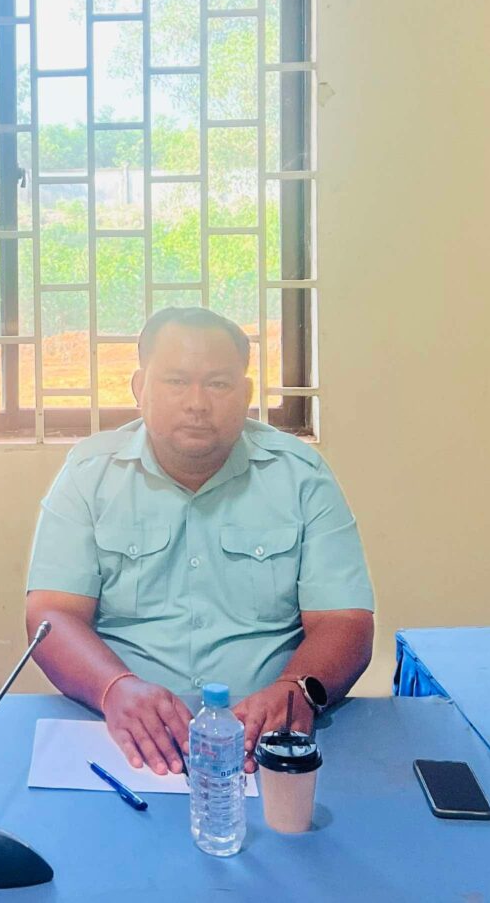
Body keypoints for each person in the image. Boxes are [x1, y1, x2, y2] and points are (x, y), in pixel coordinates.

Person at [25, 307, 373, 775]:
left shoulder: (300, 477)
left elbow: (345, 621)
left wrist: (295, 689)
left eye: (218, 384)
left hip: (267, 742)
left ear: (245, 394)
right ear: (139, 388)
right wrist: (115, 688)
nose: (197, 403)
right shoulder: (89, 476)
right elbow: (52, 614)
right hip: (121, 732)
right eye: (175, 381)